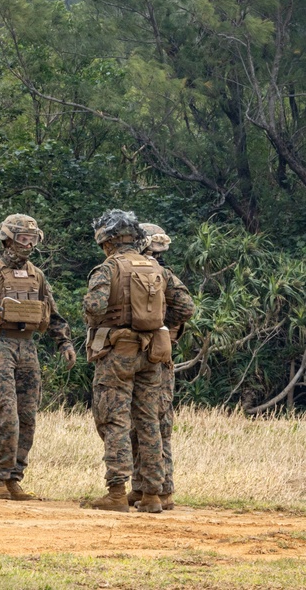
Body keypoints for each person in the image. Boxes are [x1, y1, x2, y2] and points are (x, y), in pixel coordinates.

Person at [82, 210, 194, 513]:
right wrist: (161, 325)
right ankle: (152, 494)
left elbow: (94, 307)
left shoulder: (108, 268)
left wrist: (106, 322)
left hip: (118, 354)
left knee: (114, 419)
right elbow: (186, 307)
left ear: (107, 241)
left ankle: (117, 492)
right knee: (149, 421)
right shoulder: (157, 268)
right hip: (153, 353)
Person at [0, 214, 76, 501]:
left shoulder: (37, 276)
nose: (28, 245)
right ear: (8, 240)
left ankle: (14, 477)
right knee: (7, 415)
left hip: (27, 347)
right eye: (23, 239)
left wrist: (65, 343)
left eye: (32, 239)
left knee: (27, 417)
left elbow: (53, 314)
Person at [127, 223, 190, 511]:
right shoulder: (161, 273)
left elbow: (186, 307)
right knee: (145, 423)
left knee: (154, 422)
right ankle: (142, 486)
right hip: (155, 353)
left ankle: (162, 490)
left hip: (153, 356)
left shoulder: (159, 274)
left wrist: (158, 325)